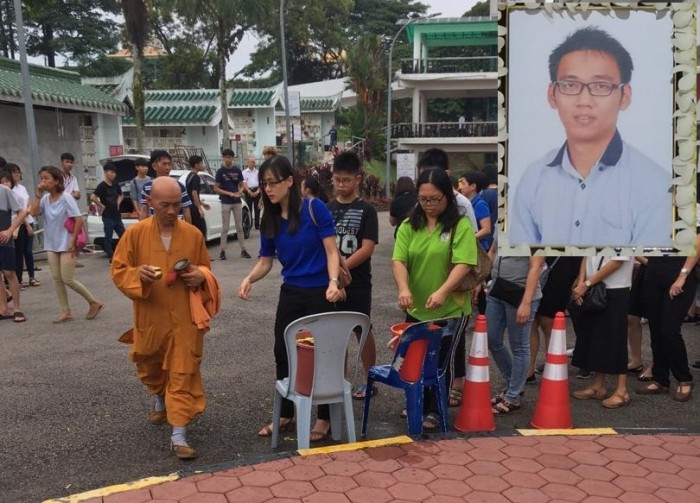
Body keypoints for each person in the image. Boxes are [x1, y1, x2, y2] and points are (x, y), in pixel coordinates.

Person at [509, 26, 672, 247]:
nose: (584, 100)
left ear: (624, 96)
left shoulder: (656, 185)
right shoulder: (533, 179)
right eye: (570, 85)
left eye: (601, 86)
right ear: (552, 95)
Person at [112, 177, 221, 459]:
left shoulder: (193, 235)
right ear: (150, 202)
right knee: (149, 362)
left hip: (185, 317)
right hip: (151, 316)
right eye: (165, 205)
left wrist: (200, 276)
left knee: (183, 370)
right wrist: (139, 276)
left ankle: (179, 435)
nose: (172, 211)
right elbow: (119, 270)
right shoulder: (135, 234)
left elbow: (206, 271)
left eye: (176, 204)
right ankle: (160, 397)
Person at [239, 155, 343, 442]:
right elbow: (265, 261)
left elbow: (332, 252)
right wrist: (249, 278)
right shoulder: (269, 217)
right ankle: (286, 414)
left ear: (289, 181)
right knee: (282, 352)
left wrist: (333, 282)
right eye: (263, 184)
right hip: (292, 293)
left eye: (273, 183)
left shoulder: (314, 208)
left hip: (321, 291)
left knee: (322, 354)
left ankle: (324, 418)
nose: (268, 189)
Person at [392, 168, 476, 428]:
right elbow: (399, 260)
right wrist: (403, 288)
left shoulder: (459, 224)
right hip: (417, 307)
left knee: (441, 363)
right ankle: (417, 401)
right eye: (423, 199)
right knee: (416, 358)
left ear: (448, 197)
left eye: (435, 199)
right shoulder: (409, 225)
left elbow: (464, 263)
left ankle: (436, 411)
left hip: (451, 308)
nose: (428, 204)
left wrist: (443, 291)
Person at [327, 151, 379, 400]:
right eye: (336, 179)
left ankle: (371, 380)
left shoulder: (366, 210)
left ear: (358, 179)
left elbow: (367, 248)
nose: (340, 184)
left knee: (362, 329)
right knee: (335, 332)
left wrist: (341, 267)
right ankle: (340, 381)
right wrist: (333, 273)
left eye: (346, 180)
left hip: (357, 282)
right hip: (332, 282)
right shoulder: (327, 209)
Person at [28, 166, 104, 323]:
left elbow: (78, 219)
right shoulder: (44, 199)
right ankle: (66, 311)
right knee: (57, 278)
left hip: (66, 243)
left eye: (46, 178)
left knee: (67, 278)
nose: (43, 181)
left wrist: (73, 241)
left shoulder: (66, 198)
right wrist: (38, 194)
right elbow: (34, 213)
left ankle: (93, 302)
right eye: (41, 178)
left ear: (56, 180)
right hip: (52, 243)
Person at [637, 236, 700, 402]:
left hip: (679, 272)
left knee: (669, 329)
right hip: (654, 272)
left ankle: (684, 378)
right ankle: (660, 378)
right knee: (656, 328)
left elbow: (697, 242)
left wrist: (683, 275)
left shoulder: (690, 210)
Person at [486, 237, 544, 414]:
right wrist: (480, 278)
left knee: (519, 346)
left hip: (520, 293)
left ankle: (513, 395)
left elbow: (536, 265)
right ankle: (514, 385)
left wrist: (526, 303)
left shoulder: (534, 228)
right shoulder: (502, 222)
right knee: (492, 339)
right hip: (497, 290)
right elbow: (493, 252)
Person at [571, 256, 634, 408]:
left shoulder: (623, 232)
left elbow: (617, 262)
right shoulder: (596, 232)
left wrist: (586, 284)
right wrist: (581, 282)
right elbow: (586, 255)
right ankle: (598, 386)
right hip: (593, 286)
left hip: (616, 289)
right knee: (597, 337)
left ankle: (622, 390)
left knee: (616, 336)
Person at [527, 257, 581, 382]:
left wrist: (580, 277)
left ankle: (553, 366)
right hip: (533, 262)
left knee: (549, 321)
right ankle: (529, 369)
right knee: (531, 321)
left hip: (562, 266)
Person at [214, 148, 251, 260]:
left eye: (229, 157)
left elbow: (241, 184)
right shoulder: (220, 172)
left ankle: (243, 249)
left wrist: (239, 193)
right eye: (225, 157)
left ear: (232, 158)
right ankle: (222, 251)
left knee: (239, 227)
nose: (227, 160)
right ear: (223, 158)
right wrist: (228, 193)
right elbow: (216, 188)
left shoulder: (237, 170)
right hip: (225, 201)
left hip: (237, 202)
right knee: (225, 228)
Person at [138, 150, 192, 224]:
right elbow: (144, 210)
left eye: (169, 164)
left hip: (176, 226)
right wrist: (142, 230)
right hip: (155, 228)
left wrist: (188, 229)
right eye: (164, 164)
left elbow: (186, 209)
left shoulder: (179, 186)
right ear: (154, 166)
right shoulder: (147, 187)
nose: (168, 167)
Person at [0, 169, 26, 322]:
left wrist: (10, 231)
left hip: (4, 238)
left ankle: (17, 309)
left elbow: (21, 212)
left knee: (9, 272)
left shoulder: (4, 191)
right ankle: (3, 308)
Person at [9, 164, 39, 288]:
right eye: (14, 172)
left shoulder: (22, 187)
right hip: (19, 223)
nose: (17, 174)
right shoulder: (9, 190)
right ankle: (18, 281)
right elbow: (17, 210)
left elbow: (28, 204)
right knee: (19, 252)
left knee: (28, 251)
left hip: (28, 219)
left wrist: (28, 212)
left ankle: (32, 277)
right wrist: (26, 223)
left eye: (18, 172)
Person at [90, 162, 125, 264]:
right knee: (108, 237)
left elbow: (121, 195)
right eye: (111, 172)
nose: (113, 174)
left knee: (123, 235)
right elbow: (92, 197)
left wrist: (118, 203)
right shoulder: (102, 186)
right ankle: (111, 255)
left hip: (116, 215)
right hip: (107, 216)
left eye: (114, 172)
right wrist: (101, 205)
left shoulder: (115, 184)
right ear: (105, 172)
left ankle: (124, 253)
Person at [459, 171, 492, 251]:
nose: (460, 187)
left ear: (473, 186)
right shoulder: (465, 203)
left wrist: (468, 239)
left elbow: (486, 229)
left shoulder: (480, 204)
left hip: (479, 248)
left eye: (463, 184)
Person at [179, 155, 209, 238]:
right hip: (193, 207)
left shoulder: (189, 175)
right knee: (200, 231)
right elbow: (194, 193)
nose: (203, 165)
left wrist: (202, 203)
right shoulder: (196, 177)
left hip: (189, 206)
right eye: (201, 163)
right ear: (196, 165)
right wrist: (199, 208)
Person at [242, 155, 262, 230]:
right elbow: (243, 183)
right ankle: (249, 224)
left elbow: (261, 183)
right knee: (249, 208)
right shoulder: (244, 172)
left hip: (257, 190)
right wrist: (249, 191)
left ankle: (257, 224)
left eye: (254, 162)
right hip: (248, 191)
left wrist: (257, 191)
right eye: (251, 162)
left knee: (257, 208)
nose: (253, 163)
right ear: (247, 163)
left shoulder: (258, 172)